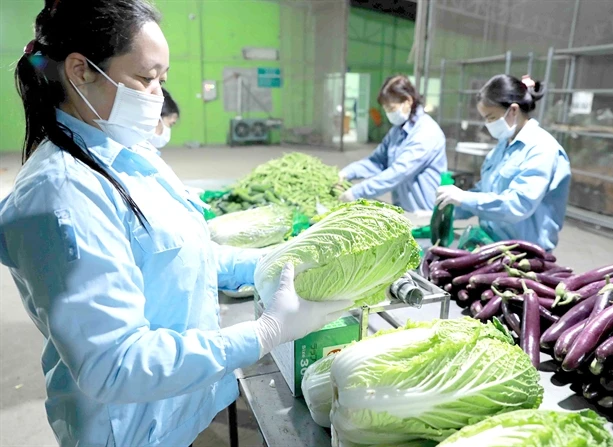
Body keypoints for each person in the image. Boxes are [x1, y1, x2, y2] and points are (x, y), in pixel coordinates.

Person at [0, 1, 351, 446]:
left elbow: (187, 250)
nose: (157, 96)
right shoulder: (62, 197)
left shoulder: (131, 154)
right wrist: (263, 334)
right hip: (129, 429)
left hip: (175, 409)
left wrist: (275, 259)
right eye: (145, 79)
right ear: (80, 70)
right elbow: (115, 364)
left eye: (161, 81)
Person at [435, 74, 571, 251]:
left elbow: (518, 204)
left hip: (524, 256)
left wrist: (465, 198)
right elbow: (484, 192)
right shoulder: (503, 146)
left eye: (491, 117)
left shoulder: (542, 149)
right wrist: (450, 207)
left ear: (513, 110)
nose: (487, 124)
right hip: (491, 244)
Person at [338, 75, 447, 212]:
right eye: (386, 109)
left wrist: (357, 192)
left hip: (424, 213)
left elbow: (399, 172)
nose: (389, 113)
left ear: (408, 101)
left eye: (391, 108)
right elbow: (376, 161)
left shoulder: (426, 132)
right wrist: (347, 173)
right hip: (404, 211)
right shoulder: (397, 131)